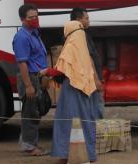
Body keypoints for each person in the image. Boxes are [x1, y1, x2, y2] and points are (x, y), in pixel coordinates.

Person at [43, 20, 102, 163]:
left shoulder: (70, 47)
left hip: (71, 90)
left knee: (67, 121)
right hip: (85, 90)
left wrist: (45, 71)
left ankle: (66, 155)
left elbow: (60, 70)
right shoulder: (82, 47)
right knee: (86, 122)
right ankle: (89, 154)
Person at [12, 4, 49, 156]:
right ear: (22, 19)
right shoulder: (21, 37)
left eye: (36, 16)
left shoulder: (34, 33)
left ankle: (29, 143)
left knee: (36, 111)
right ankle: (29, 146)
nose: (34, 19)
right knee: (30, 113)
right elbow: (22, 63)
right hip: (30, 78)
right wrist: (28, 85)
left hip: (38, 77)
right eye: (31, 17)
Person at [71, 7, 104, 119]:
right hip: (90, 81)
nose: (89, 21)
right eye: (86, 18)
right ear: (78, 20)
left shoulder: (81, 34)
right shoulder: (80, 36)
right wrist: (96, 79)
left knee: (93, 108)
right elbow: (88, 59)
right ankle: (95, 133)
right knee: (97, 108)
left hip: (88, 80)